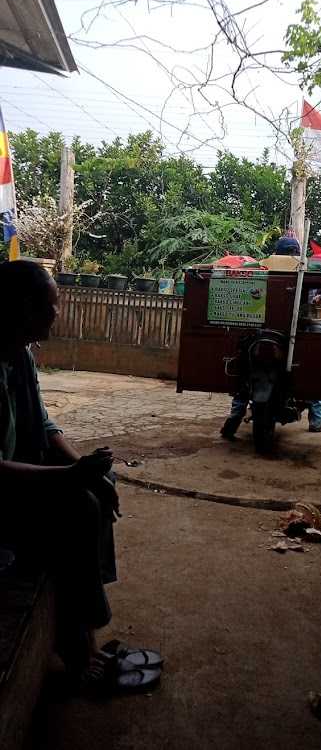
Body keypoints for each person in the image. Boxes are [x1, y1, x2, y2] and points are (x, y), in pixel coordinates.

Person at [0, 260, 161, 693]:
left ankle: (84, 630)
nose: (58, 312)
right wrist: (73, 476)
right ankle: (80, 651)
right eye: (51, 305)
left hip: (20, 480)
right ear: (22, 309)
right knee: (79, 506)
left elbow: (48, 429)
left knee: (97, 487)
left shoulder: (21, 357)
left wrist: (84, 468)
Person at [221, 234, 321, 438]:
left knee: (243, 382)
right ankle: (316, 420)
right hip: (289, 340)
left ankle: (233, 421)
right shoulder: (304, 271)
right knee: (310, 375)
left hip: (258, 337)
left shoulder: (262, 269)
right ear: (296, 253)